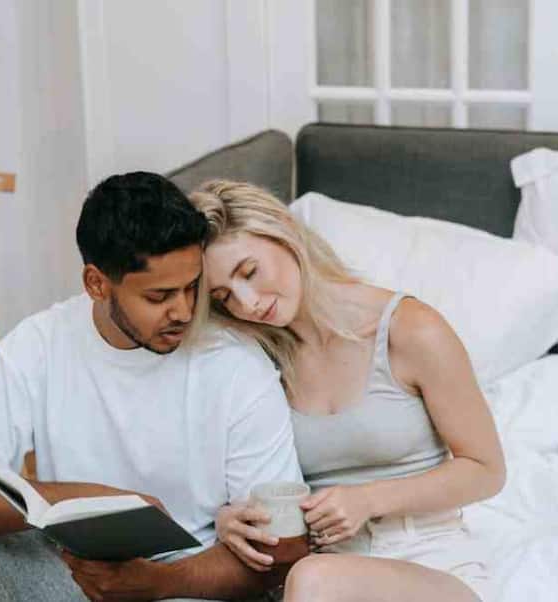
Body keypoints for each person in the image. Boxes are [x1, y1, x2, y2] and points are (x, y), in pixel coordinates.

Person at [0, 172, 303, 602]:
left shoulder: (238, 367)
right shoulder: (39, 344)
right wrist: (79, 500)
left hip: (185, 581)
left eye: (192, 287)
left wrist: (159, 582)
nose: (183, 310)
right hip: (65, 568)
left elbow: (280, 555)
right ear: (96, 283)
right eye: (159, 296)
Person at [189, 180, 506, 602]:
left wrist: (368, 500)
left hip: (429, 558)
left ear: (285, 233)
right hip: (319, 570)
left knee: (315, 580)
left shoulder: (411, 329)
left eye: (249, 272)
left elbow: (486, 470)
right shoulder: (256, 360)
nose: (247, 303)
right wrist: (230, 519)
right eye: (225, 297)